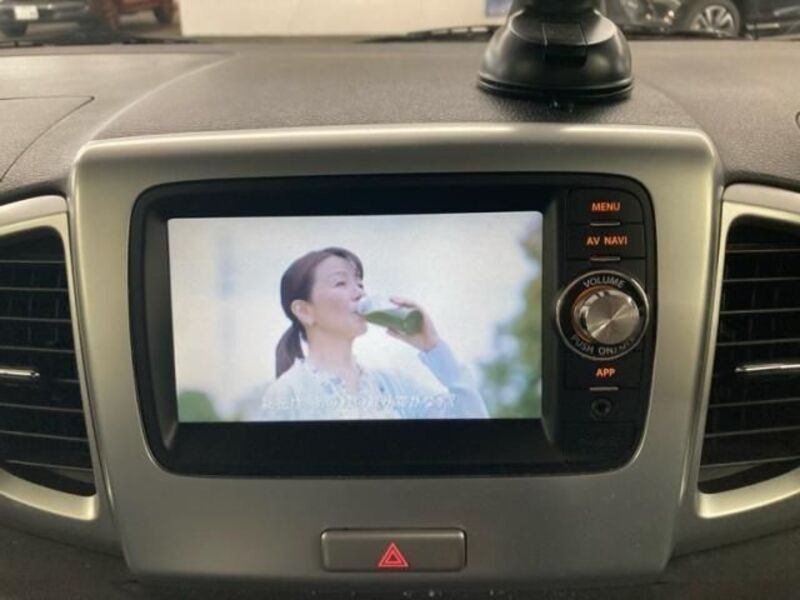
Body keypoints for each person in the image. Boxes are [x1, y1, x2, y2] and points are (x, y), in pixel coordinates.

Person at [256, 247, 488, 420]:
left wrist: (432, 345)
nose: (359, 292)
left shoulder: (393, 385)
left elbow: (472, 423)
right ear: (304, 311)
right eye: (341, 283)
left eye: (359, 283)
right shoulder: (288, 393)